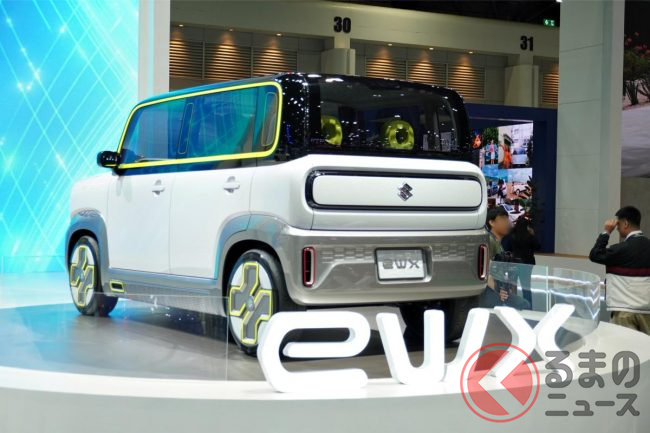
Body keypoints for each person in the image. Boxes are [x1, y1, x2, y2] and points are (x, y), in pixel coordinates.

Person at [589, 206, 650, 335]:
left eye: (618, 224)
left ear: (626, 223)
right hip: (648, 311)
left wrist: (606, 231)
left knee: (624, 346)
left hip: (624, 312)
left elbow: (595, 254)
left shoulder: (619, 250)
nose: (617, 228)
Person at [480, 207, 530, 310]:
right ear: (491, 222)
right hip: (490, 290)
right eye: (502, 219)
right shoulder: (489, 240)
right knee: (523, 304)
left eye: (507, 219)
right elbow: (484, 269)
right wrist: (498, 290)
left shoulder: (498, 243)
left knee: (522, 304)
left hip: (497, 288)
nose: (507, 223)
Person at [502, 217, 541, 305]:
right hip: (527, 264)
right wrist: (533, 234)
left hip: (513, 263)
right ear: (527, 226)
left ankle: (513, 304)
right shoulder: (529, 237)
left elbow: (506, 248)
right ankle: (528, 305)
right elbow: (538, 246)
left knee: (513, 285)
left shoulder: (511, 236)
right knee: (526, 286)